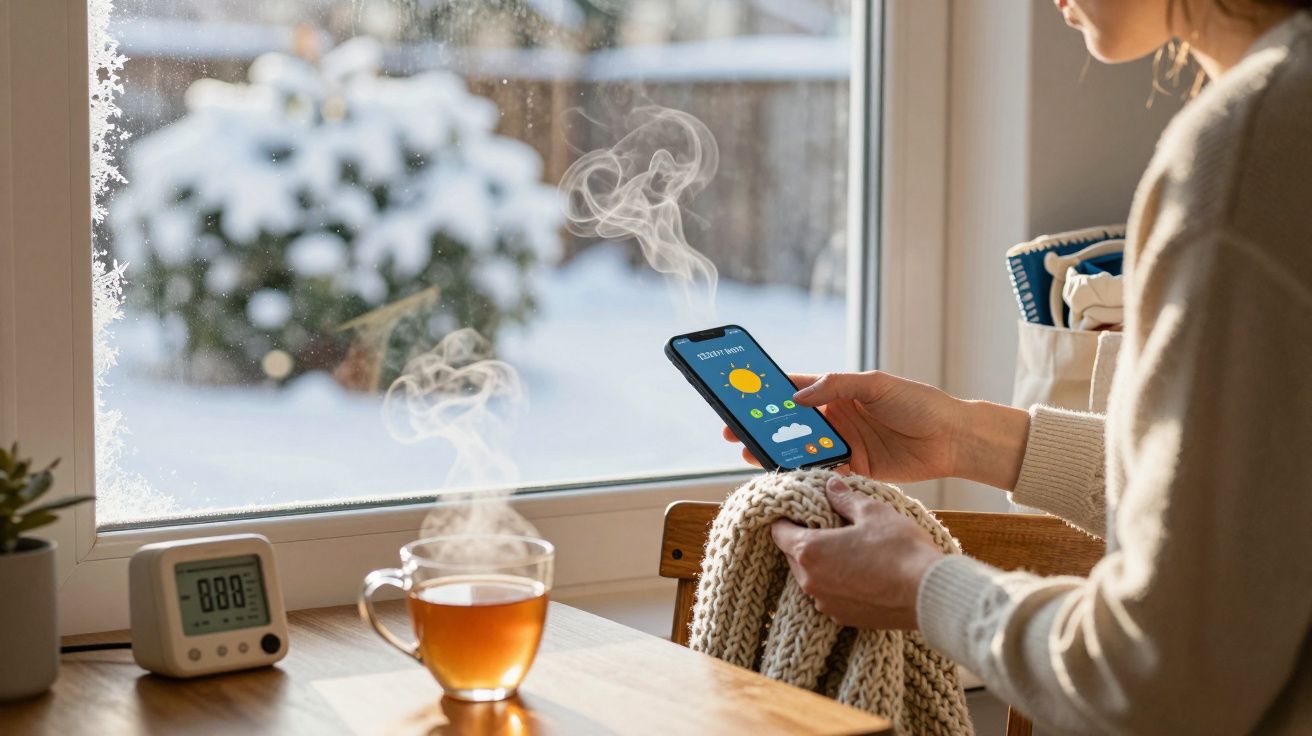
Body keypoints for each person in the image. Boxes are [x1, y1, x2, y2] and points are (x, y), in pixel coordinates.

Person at [722, 1, 1312, 732]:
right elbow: (1267, 490)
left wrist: (923, 586)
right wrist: (967, 439)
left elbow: (1159, 679)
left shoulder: (1251, 151)